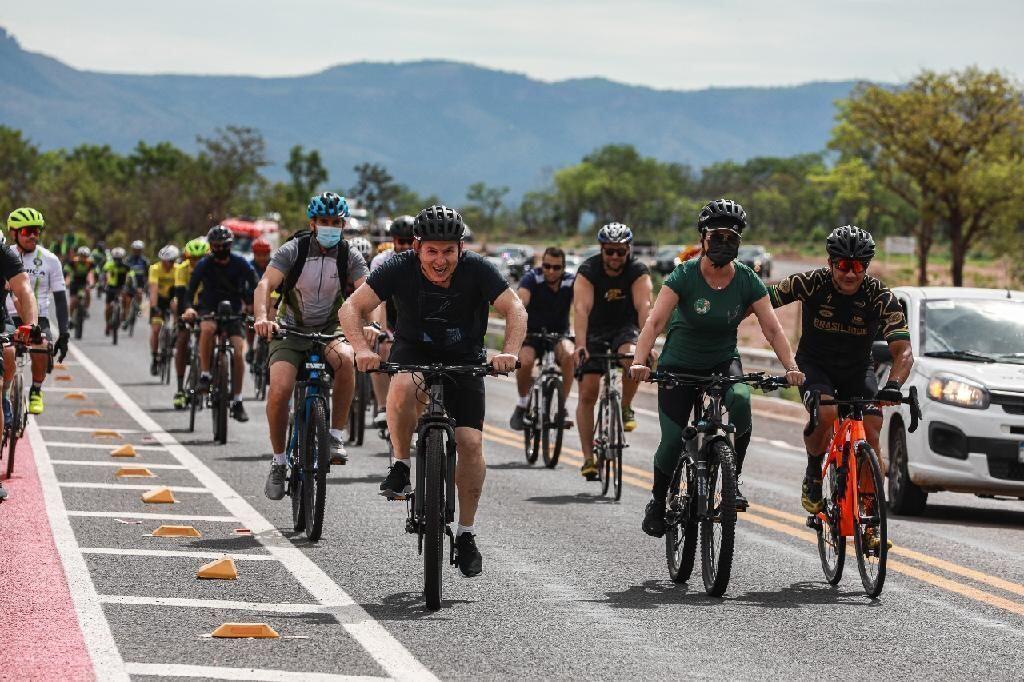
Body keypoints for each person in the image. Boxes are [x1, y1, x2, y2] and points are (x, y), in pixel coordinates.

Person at [340, 205, 527, 578]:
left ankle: (467, 533)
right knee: (404, 382)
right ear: (417, 247)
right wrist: (361, 348)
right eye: (431, 251)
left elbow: (515, 310)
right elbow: (351, 308)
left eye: (448, 251)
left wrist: (509, 353)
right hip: (415, 350)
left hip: (466, 358)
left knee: (471, 443)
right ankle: (400, 464)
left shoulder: (478, 269)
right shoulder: (397, 268)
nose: (440, 260)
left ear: (460, 248)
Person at [629, 199, 805, 536]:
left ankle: (731, 479)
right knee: (671, 442)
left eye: (732, 238)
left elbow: (772, 328)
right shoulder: (683, 275)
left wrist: (792, 367)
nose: (724, 244)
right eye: (717, 237)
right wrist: (640, 362)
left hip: (722, 361)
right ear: (703, 239)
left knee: (740, 398)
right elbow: (654, 323)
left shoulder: (748, 280)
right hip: (677, 365)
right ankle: (657, 500)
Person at [769, 225, 913, 515]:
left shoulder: (880, 296)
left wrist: (894, 384)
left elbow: (904, 351)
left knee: (872, 429)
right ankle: (812, 474)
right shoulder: (811, 283)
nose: (851, 273)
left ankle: (870, 510)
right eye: (844, 265)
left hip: (857, 370)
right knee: (826, 413)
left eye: (859, 266)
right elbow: (759, 301)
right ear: (830, 263)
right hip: (814, 365)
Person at [254, 191, 368, 493]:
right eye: (323, 221)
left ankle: (333, 435)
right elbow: (266, 283)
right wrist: (262, 318)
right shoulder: (293, 250)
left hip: (331, 328)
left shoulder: (349, 255)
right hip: (291, 329)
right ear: (312, 222)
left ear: (343, 224)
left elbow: (369, 293)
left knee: (347, 361)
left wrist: (373, 325)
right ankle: (279, 461)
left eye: (335, 222)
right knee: (279, 389)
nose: (330, 226)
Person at [573, 222, 652, 480]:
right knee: (588, 392)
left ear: (628, 250)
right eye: (610, 251)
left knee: (632, 358)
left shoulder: (638, 270)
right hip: (594, 330)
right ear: (602, 250)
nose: (615, 257)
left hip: (624, 327)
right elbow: (582, 309)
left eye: (621, 251)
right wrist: (580, 345)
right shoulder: (588, 270)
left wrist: (646, 346)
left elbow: (644, 307)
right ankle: (588, 459)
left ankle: (626, 405)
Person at [181, 226, 258, 423]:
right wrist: (189, 308)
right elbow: (189, 292)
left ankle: (238, 401)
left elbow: (256, 285)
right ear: (211, 246)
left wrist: (253, 305)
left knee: (239, 352)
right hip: (208, 307)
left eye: (223, 245)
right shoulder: (204, 265)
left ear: (230, 245)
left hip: (234, 310)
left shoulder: (241, 263)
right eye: (215, 246)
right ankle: (206, 374)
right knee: (207, 328)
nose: (219, 249)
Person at [4, 207, 69, 416]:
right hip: (8, 314)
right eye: (26, 231)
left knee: (41, 345)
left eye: (36, 231)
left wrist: (64, 333)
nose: (33, 235)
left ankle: (36, 390)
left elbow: (60, 298)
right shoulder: (6, 255)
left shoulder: (50, 260)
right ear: (14, 233)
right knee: (8, 352)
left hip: (38, 316)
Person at [509, 246, 575, 431]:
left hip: (559, 335)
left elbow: (580, 308)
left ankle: (561, 407)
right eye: (547, 266)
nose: (551, 271)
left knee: (570, 355)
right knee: (525, 360)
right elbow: (521, 303)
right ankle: (522, 403)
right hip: (532, 334)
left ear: (563, 268)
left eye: (556, 267)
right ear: (542, 265)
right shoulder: (531, 278)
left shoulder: (571, 281)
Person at [0, 211, 42, 501]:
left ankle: (3, 394)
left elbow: (25, 290)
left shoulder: (6, 255)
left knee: (8, 351)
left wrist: (31, 325)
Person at [366, 215, 415, 426]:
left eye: (409, 241)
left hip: (414, 316)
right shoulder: (381, 261)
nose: (404, 246)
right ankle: (383, 406)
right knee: (382, 350)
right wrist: (380, 329)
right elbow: (379, 299)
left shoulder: (424, 259)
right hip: (390, 315)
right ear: (393, 240)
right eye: (400, 241)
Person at [171, 238, 210, 409]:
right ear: (187, 257)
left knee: (209, 337)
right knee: (182, 341)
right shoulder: (181, 269)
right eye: (192, 258)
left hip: (204, 308)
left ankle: (209, 376)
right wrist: (182, 317)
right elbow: (180, 294)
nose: (196, 262)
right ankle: (180, 389)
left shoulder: (212, 268)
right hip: (187, 306)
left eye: (200, 258)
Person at [147, 245, 179, 375]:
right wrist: (154, 307)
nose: (167, 264)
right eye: (165, 261)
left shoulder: (178, 269)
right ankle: (155, 357)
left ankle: (176, 330)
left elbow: (180, 290)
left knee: (176, 304)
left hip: (172, 298)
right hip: (159, 299)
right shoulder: (155, 269)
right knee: (155, 329)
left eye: (171, 261)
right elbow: (153, 289)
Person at [245, 237, 273, 365]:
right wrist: (248, 304)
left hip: (272, 301)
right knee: (250, 319)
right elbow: (243, 287)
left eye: (265, 255)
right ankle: (250, 347)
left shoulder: (275, 266)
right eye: (259, 255)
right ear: (254, 254)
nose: (262, 258)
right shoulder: (248, 267)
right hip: (252, 300)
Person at [102, 248, 134, 335]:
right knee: (108, 307)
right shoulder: (109, 264)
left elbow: (130, 275)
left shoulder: (126, 266)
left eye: (119, 259)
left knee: (126, 301)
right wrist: (104, 283)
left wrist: (130, 282)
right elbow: (106, 273)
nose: (117, 261)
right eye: (115, 258)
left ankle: (124, 318)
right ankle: (107, 323)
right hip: (111, 287)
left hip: (122, 287)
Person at [65, 246, 94, 326]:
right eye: (82, 255)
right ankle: (70, 318)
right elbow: (68, 274)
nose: (83, 258)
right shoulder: (73, 262)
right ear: (79, 255)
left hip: (84, 282)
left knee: (88, 291)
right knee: (73, 301)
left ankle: (86, 309)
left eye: (85, 256)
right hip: (74, 282)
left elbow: (91, 274)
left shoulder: (90, 263)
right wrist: (67, 282)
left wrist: (91, 283)